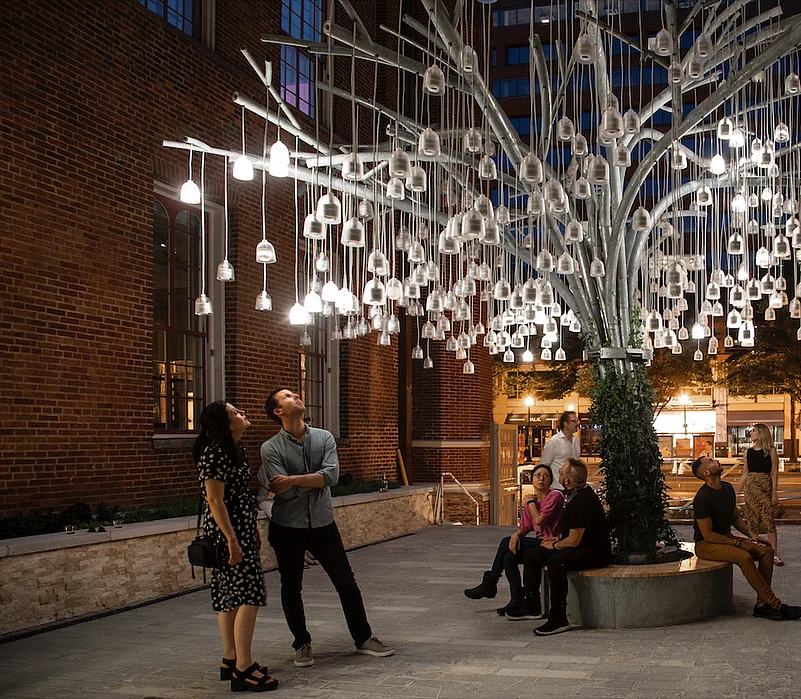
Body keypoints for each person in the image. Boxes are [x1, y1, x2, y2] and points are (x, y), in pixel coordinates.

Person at [260, 388, 394, 667]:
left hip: (322, 522)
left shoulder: (324, 437)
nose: (295, 395)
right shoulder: (271, 448)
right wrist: (312, 481)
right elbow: (281, 491)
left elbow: (331, 477)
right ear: (278, 411)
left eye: (295, 393)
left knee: (346, 582)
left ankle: (363, 638)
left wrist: (294, 480)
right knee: (291, 586)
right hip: (288, 526)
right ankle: (302, 644)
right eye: (287, 396)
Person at [194, 401, 278, 692]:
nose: (243, 414)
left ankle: (231, 659)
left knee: (230, 595)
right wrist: (232, 539)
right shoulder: (215, 452)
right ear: (226, 422)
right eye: (235, 412)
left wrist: (251, 526)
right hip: (227, 535)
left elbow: (239, 496)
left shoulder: (234, 449)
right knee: (249, 595)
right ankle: (244, 666)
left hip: (239, 530)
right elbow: (215, 501)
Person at [691, 455, 800, 621]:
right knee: (745, 557)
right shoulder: (702, 498)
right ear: (706, 472)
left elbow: (735, 518)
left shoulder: (727, 489)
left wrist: (752, 536)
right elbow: (708, 534)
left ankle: (762, 605)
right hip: (706, 544)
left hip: (726, 538)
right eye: (711, 461)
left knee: (767, 551)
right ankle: (775, 604)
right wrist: (738, 543)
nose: (717, 461)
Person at [519, 458, 611, 635]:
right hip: (578, 545)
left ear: (567, 480)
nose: (558, 473)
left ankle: (559, 618)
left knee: (556, 562)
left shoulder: (581, 501)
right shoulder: (573, 494)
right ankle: (532, 606)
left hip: (594, 552)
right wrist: (554, 541)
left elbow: (574, 541)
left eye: (561, 472)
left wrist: (554, 544)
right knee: (532, 555)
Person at [463, 464, 564, 618]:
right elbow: (526, 527)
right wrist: (516, 535)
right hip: (541, 543)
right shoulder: (532, 501)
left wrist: (530, 503)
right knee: (508, 557)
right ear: (532, 479)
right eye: (537, 475)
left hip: (554, 544)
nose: (541, 479)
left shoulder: (555, 496)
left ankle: (490, 583)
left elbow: (539, 519)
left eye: (546, 476)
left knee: (505, 542)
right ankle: (516, 599)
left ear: (551, 480)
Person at [738, 424, 782, 565]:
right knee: (752, 519)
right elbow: (745, 473)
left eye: (754, 431)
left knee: (768, 519)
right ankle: (757, 550)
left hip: (765, 486)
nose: (751, 433)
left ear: (761, 433)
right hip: (751, 487)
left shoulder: (771, 451)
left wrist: (774, 493)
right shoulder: (748, 452)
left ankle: (774, 553)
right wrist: (738, 490)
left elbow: (774, 473)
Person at [538, 411, 581, 490]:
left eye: (577, 420)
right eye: (574, 421)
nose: (577, 423)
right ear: (565, 423)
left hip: (574, 487)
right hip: (557, 488)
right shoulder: (554, 442)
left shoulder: (576, 440)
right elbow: (543, 466)